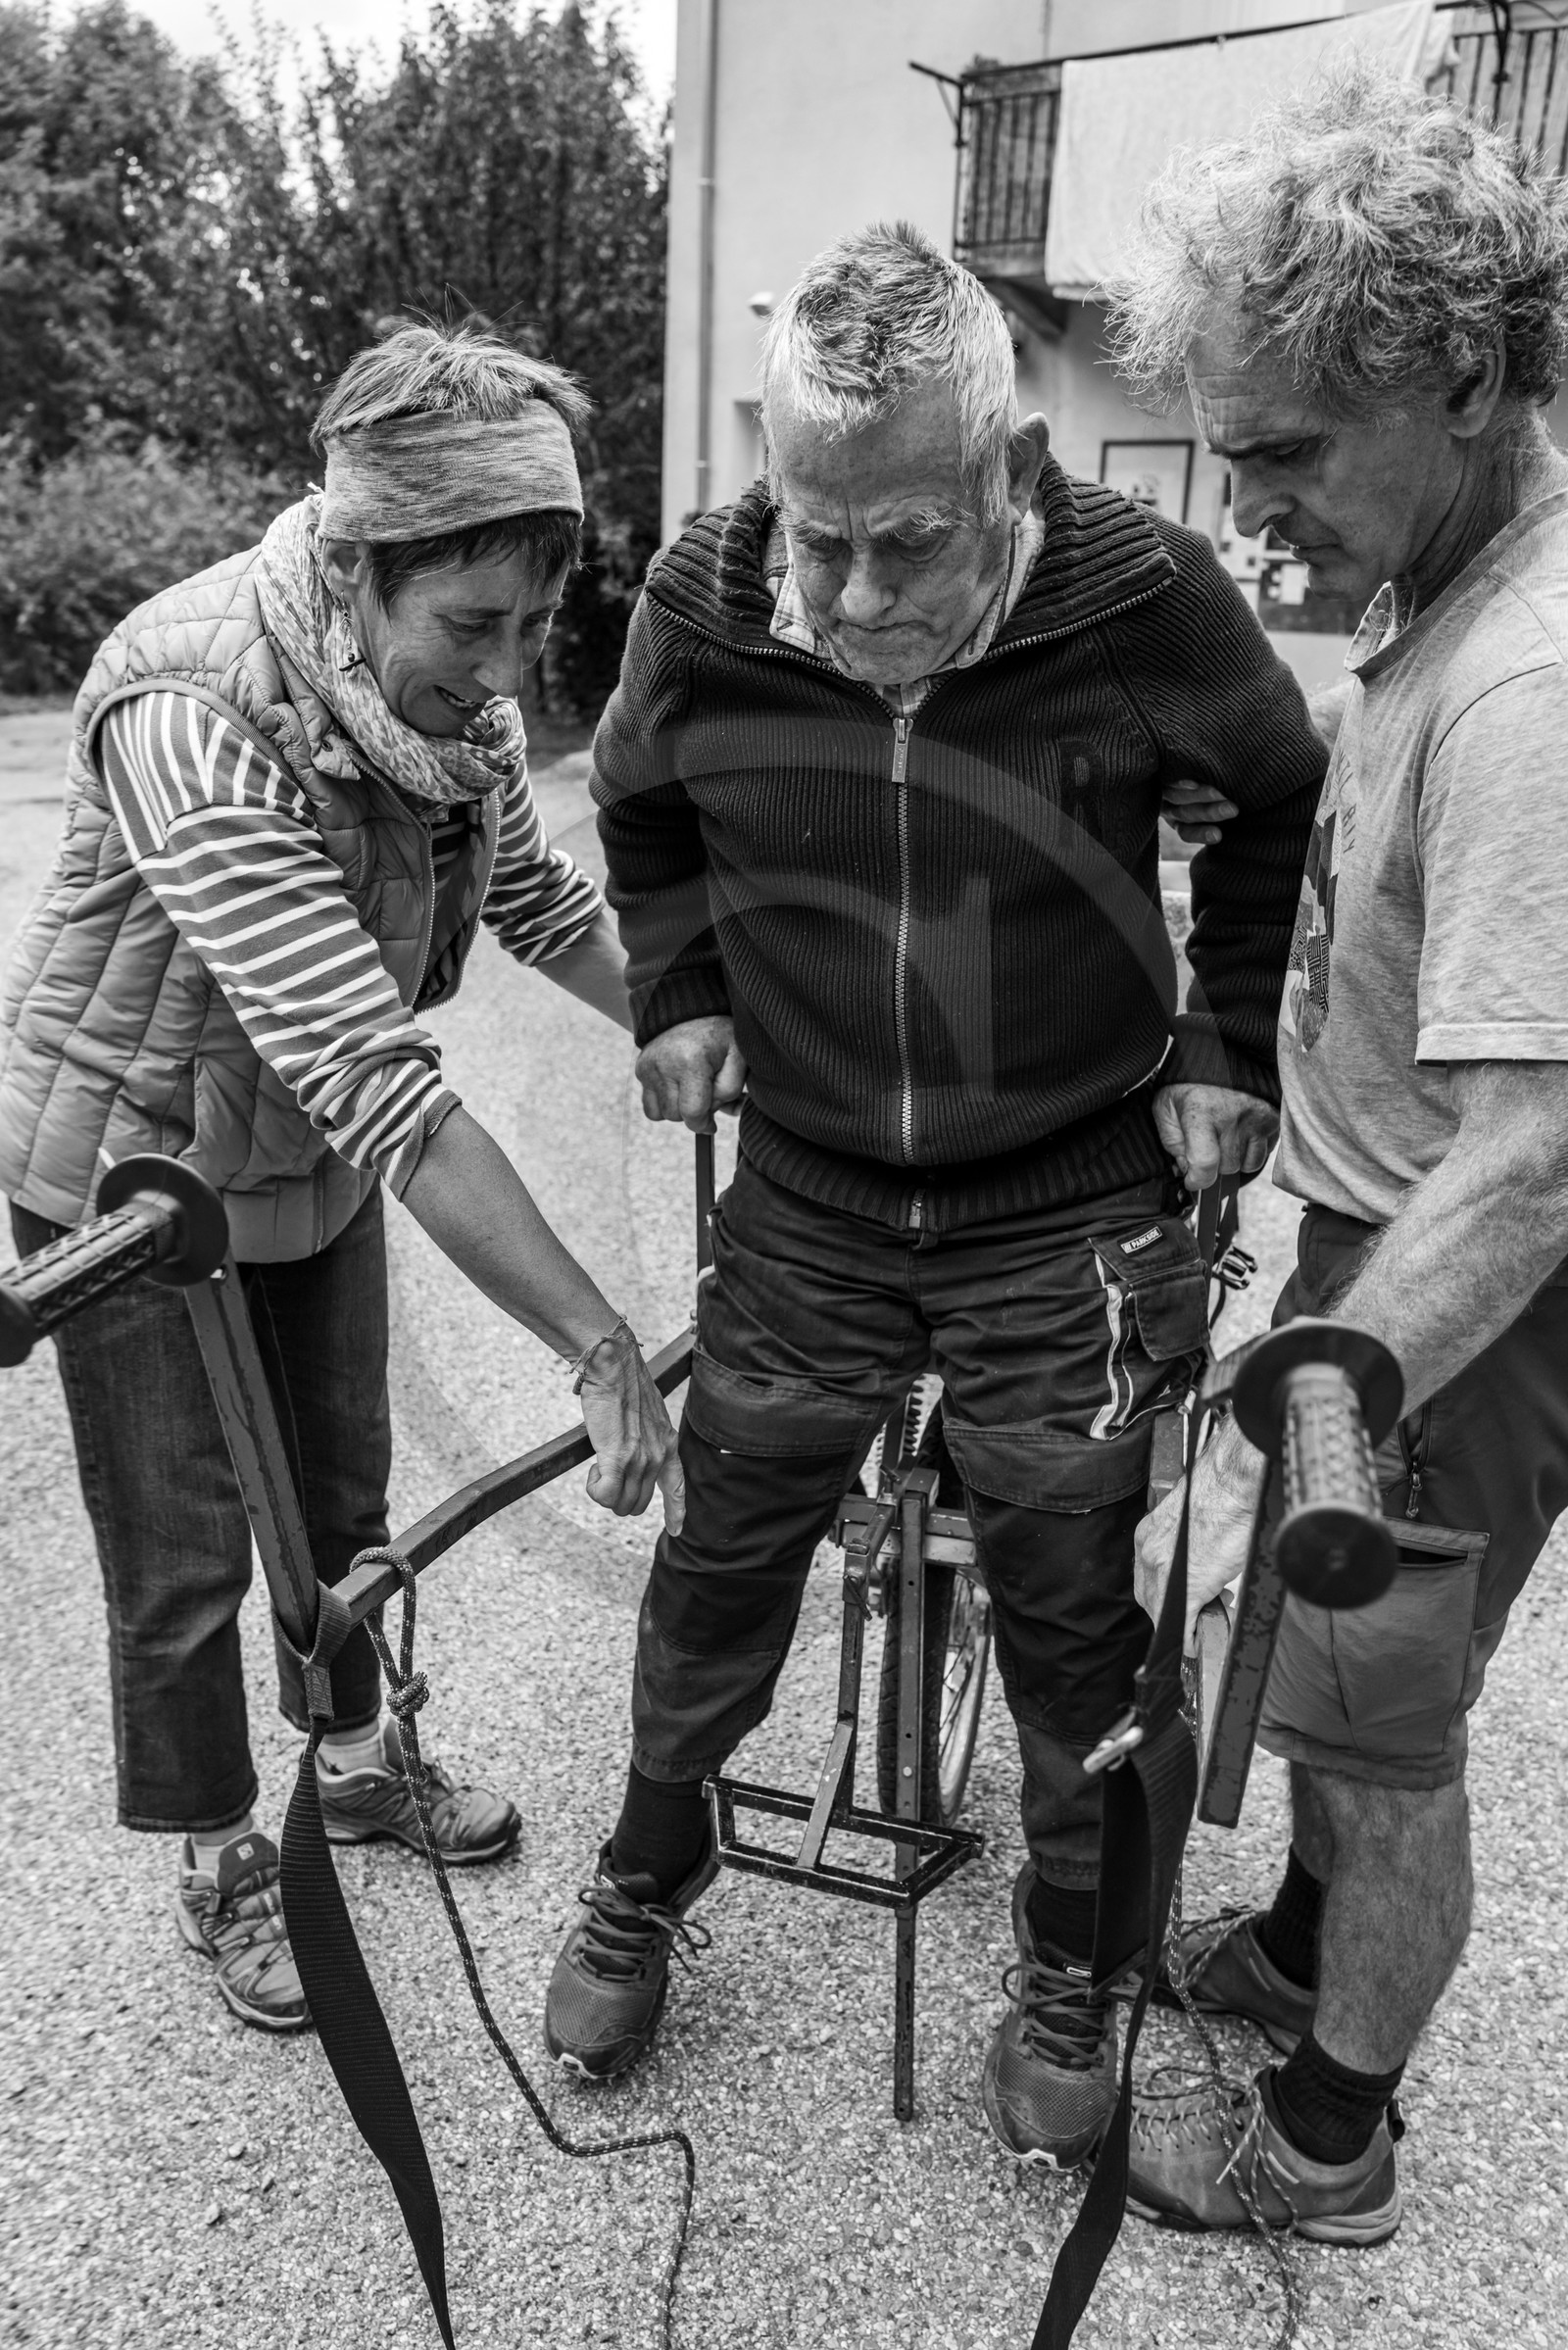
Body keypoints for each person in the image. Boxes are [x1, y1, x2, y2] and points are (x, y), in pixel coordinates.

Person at [539, 221, 1328, 2171]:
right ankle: (648, 1866)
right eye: (816, 531)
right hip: (805, 1184)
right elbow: (633, 802)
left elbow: (1275, 790)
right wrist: (683, 989)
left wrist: (1226, 1038)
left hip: (1057, 1188)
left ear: (1001, 475)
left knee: (1071, 1600)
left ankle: (1069, 1960)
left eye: (903, 539)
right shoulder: (710, 591)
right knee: (724, 1548)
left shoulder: (1144, 592)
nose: (850, 585)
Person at [0, 321, 682, 2033]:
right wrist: (599, 1341)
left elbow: (542, 905)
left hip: (292, 1153)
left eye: (536, 621)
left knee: (345, 1497)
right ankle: (226, 1858)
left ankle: (364, 1761)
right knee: (184, 1549)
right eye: (472, 625)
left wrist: (711, 1026)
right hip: (133, 1189)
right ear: (361, 565)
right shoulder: (191, 703)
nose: (507, 665)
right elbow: (387, 1084)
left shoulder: (447, 707)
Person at [1117, 66, 1568, 2239]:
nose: (1249, 504)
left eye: (1283, 450)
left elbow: (1541, 1148)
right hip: (1370, 1235)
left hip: (1446, 1285)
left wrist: (1326, 1379)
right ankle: (1300, 1947)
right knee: (1320, 1690)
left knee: (1379, 1730)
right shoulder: (1451, 588)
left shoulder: (1529, 684)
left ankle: (1325, 2133)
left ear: (1456, 370)